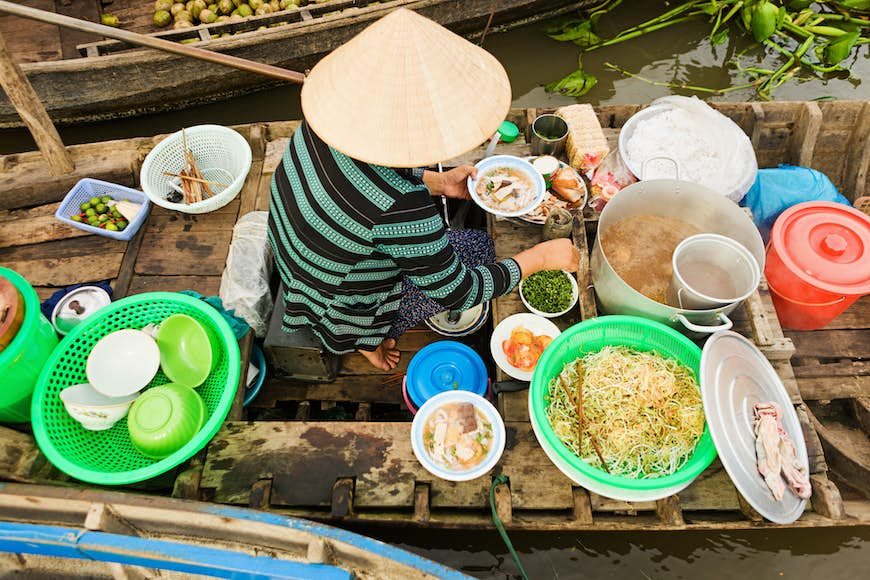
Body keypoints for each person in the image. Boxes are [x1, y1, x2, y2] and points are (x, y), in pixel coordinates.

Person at [268, 9, 579, 371]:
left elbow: (370, 165)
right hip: (336, 305)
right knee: (479, 249)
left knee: (454, 248)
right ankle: (363, 341)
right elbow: (458, 292)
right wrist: (540, 258)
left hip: (296, 256)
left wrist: (439, 182)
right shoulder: (401, 209)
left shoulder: (327, 127)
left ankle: (360, 334)